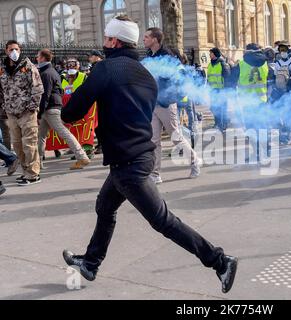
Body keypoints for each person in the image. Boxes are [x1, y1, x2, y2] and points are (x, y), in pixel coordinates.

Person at [61, 15, 238, 294]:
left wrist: (71, 97)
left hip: (129, 164)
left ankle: (219, 260)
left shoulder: (106, 69)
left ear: (114, 41)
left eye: (107, 38)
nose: (104, 43)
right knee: (105, 207)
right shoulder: (145, 73)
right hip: (135, 155)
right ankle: (91, 262)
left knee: (164, 221)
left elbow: (71, 113)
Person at [143, 27, 202, 184]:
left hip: (166, 103)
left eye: (147, 37)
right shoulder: (149, 55)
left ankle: (194, 161)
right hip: (152, 103)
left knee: (176, 137)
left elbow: (180, 79)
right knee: (154, 141)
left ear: (155, 39)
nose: (144, 39)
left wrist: (171, 97)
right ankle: (155, 174)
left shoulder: (168, 56)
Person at [36, 49, 90, 170]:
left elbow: (45, 95)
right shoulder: (52, 72)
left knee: (63, 133)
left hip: (49, 109)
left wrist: (39, 113)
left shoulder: (46, 73)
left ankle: (81, 156)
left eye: (38, 56)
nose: (37, 58)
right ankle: (38, 163)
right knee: (41, 136)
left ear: (43, 58)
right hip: (51, 108)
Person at [0, 40, 44, 185]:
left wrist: (32, 107)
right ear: (6, 51)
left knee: (29, 144)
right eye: (11, 49)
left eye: (17, 49)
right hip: (11, 113)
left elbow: (38, 88)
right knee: (17, 145)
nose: (14, 52)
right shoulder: (2, 69)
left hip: (27, 112)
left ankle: (33, 174)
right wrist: (3, 107)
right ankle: (26, 171)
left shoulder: (28, 66)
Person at [61, 58, 95, 159]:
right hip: (69, 107)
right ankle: (78, 149)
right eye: (69, 65)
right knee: (73, 129)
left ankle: (88, 150)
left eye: (73, 65)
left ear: (78, 66)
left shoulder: (83, 76)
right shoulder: (63, 78)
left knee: (85, 128)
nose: (71, 67)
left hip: (83, 106)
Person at [207, 47, 231, 131]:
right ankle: (217, 123)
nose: (209, 55)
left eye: (211, 53)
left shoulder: (222, 63)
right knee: (214, 107)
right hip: (213, 90)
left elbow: (227, 77)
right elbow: (209, 78)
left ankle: (224, 124)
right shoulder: (210, 64)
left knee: (222, 107)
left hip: (221, 90)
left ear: (215, 54)